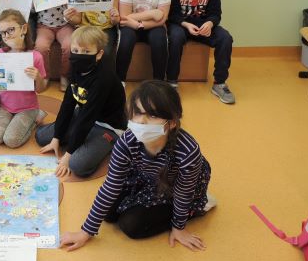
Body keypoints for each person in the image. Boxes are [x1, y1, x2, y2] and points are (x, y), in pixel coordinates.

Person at [60, 80, 213, 252]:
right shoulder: (126, 142)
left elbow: (183, 192)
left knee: (131, 225)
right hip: (146, 176)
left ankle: (194, 209)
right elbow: (111, 185)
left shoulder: (188, 152)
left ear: (172, 123)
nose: (142, 121)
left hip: (175, 186)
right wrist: (85, 232)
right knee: (108, 213)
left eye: (153, 116)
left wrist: (179, 228)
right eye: (138, 112)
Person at [35, 26, 127, 178]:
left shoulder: (103, 79)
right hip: (84, 113)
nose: (79, 55)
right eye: (75, 50)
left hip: (107, 126)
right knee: (42, 137)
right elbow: (67, 105)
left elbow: (87, 118)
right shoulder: (77, 68)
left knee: (77, 164)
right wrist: (56, 138)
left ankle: (103, 142)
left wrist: (68, 155)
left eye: (86, 51)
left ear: (99, 54)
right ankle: (75, 138)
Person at [167, 0, 235, 104]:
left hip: (204, 26)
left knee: (225, 38)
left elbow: (216, 13)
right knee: (175, 38)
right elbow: (173, 14)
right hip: (182, 25)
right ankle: (171, 82)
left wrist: (210, 24)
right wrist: (186, 24)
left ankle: (219, 83)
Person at [0, 9, 47, 148]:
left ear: (24, 29)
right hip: (4, 106)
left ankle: (36, 117)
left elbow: (41, 89)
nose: (6, 36)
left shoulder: (35, 56)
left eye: (10, 30)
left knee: (11, 140)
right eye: (3, 32)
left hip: (27, 108)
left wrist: (38, 77)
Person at [117, 0, 170, 85]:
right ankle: (119, 81)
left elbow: (162, 18)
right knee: (126, 39)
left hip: (153, 26)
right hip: (130, 26)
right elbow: (124, 17)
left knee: (159, 39)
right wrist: (152, 14)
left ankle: (158, 83)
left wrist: (139, 24)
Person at [34, 0, 74, 91]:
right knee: (40, 47)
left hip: (64, 24)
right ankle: (44, 76)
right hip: (44, 25)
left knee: (69, 45)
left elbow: (74, 3)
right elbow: (32, 8)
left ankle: (65, 75)